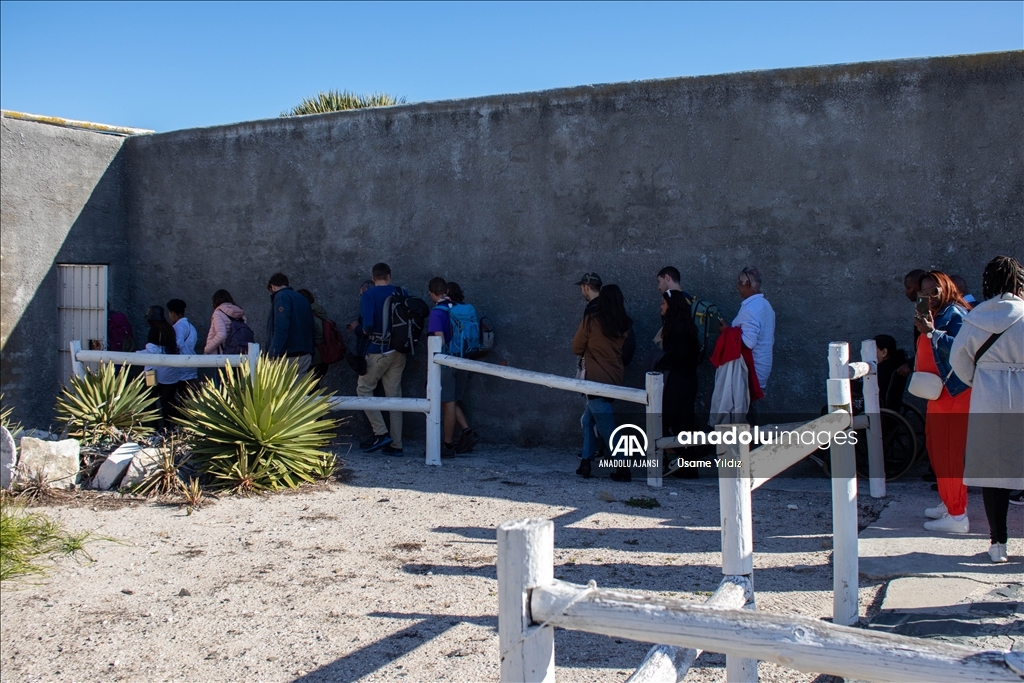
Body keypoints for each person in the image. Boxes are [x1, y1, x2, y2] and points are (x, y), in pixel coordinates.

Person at [950, 256, 1024, 562]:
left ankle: (997, 545)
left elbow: (958, 361)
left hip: (988, 397)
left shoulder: (975, 317)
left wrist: (979, 381)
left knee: (994, 473)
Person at [915, 270, 972, 534]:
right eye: (924, 292)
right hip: (940, 395)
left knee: (949, 454)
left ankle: (957, 516)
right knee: (938, 451)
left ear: (946, 288)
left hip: (953, 396)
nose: (929, 297)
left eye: (933, 291)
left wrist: (931, 333)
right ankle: (948, 503)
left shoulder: (955, 315)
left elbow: (965, 348)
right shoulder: (940, 315)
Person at [572, 275, 632, 480]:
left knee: (605, 424)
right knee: (589, 419)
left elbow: (576, 347)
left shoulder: (591, 320)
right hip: (615, 375)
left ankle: (623, 467)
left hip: (595, 377)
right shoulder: (623, 323)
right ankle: (586, 463)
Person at [357, 263, 407, 455]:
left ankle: (381, 433)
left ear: (373, 276)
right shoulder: (401, 291)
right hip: (400, 350)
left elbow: (368, 323)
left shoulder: (369, 295)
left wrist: (362, 330)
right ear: (389, 275)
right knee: (395, 397)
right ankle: (396, 444)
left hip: (378, 349)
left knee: (363, 389)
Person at [426, 278, 479, 458]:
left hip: (447, 362)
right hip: (463, 359)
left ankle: (447, 445)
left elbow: (439, 341)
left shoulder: (436, 313)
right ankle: (467, 431)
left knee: (447, 403)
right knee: (453, 401)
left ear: (432, 294)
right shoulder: (459, 308)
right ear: (447, 291)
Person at [720, 267, 775, 424]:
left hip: (750, 370)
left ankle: (746, 447)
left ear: (748, 284)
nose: (737, 287)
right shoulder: (765, 305)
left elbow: (748, 342)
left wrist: (726, 331)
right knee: (749, 411)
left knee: (743, 415)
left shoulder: (751, 309)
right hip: (761, 367)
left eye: (740, 283)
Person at [656, 290, 701, 478]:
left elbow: (676, 354)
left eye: (664, 303)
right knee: (684, 426)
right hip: (688, 380)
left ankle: (675, 459)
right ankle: (687, 467)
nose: (661, 307)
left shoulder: (677, 328)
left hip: (678, 381)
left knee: (660, 422)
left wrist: (658, 364)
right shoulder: (687, 327)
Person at [445, 281, 480, 453]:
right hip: (468, 356)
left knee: (448, 400)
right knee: (463, 398)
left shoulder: (445, 310)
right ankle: (468, 435)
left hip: (450, 359)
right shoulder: (469, 309)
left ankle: (460, 436)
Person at [265, 272, 315, 375]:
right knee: (300, 389)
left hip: (287, 355)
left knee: (282, 389)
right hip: (305, 354)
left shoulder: (281, 297)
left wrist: (272, 354)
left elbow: (281, 327)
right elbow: (312, 327)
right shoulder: (303, 299)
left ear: (272, 286)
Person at [138, 306, 179, 428]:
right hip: (170, 371)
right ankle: (170, 428)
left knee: (150, 399)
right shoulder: (169, 329)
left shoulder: (154, 330)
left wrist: (136, 354)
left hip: (154, 372)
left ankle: (155, 428)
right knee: (167, 401)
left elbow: (152, 351)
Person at [166, 299, 199, 401]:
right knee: (188, 398)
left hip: (181, 369)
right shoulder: (191, 326)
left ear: (173, 313)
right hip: (191, 366)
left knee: (181, 397)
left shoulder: (179, 327)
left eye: (169, 313)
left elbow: (177, 345)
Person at [897, 269, 928, 379]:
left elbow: (928, 342)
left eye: (909, 288)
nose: (906, 292)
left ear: (920, 287)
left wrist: (911, 363)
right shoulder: (921, 307)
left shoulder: (926, 309)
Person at [298, 289, 330, 387]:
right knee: (313, 387)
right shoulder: (318, 313)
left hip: (314, 358)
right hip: (320, 358)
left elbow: (318, 336)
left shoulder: (310, 316)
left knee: (310, 389)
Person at [872, 334, 909, 411]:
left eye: (873, 349)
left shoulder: (883, 369)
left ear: (884, 352)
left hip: (878, 407)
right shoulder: (896, 365)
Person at [204, 289, 247, 354]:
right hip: (239, 352)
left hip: (222, 354)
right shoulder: (240, 313)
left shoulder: (218, 313)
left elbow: (221, 334)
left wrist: (207, 349)